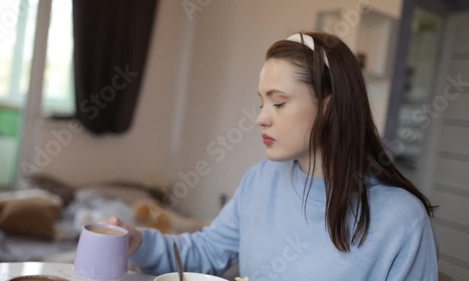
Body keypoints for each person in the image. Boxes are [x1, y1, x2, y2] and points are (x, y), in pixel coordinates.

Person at [104, 32, 438, 280]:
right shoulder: (261, 179)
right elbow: (208, 252)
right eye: (261, 102)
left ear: (329, 106)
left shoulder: (400, 220)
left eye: (278, 102)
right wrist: (138, 242)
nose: (261, 117)